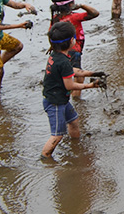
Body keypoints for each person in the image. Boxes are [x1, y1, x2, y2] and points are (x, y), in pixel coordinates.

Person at [41, 22, 105, 159]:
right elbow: (70, 86)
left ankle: (76, 147)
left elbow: (72, 71)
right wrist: (90, 86)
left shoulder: (56, 55)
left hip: (60, 99)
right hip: (56, 103)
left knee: (74, 122)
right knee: (57, 135)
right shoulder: (62, 61)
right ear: (71, 41)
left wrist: (92, 73)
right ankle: (45, 156)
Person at [49, 0, 99, 99]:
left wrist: (51, 47)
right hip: (74, 50)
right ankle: (76, 99)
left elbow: (51, 34)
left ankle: (70, 95)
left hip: (60, 51)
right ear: (71, 5)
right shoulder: (74, 17)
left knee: (67, 73)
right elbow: (95, 13)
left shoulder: (55, 19)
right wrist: (81, 5)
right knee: (78, 75)